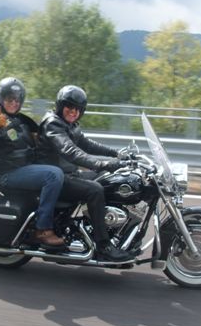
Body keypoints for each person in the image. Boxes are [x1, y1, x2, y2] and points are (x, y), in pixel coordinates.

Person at [37, 85, 132, 261]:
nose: (74, 112)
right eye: (70, 107)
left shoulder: (69, 125)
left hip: (68, 174)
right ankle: (103, 245)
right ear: (60, 105)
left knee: (108, 181)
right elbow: (70, 151)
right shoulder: (53, 124)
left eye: (78, 109)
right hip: (57, 178)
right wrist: (102, 164)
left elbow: (87, 145)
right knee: (95, 190)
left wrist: (117, 154)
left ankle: (102, 228)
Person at [0, 77, 65, 249]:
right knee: (53, 175)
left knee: (61, 171)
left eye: (17, 100)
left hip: (24, 169)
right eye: (10, 99)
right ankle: (43, 229)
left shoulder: (20, 120)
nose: (14, 103)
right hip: (6, 174)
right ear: (1, 98)